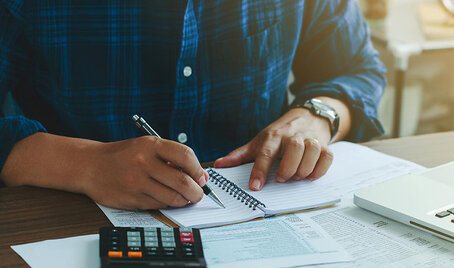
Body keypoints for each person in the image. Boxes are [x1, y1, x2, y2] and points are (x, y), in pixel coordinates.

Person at [0, 0, 386, 210]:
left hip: (265, 209)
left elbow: (357, 69)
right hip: (69, 221)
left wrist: (318, 115)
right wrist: (84, 164)